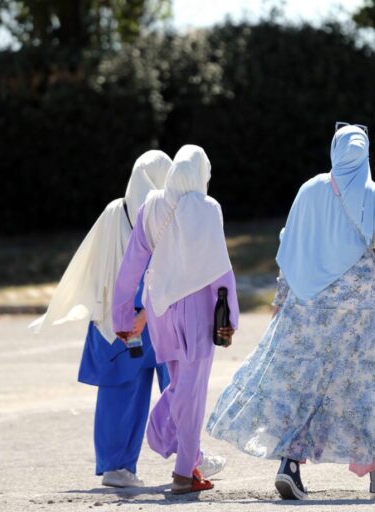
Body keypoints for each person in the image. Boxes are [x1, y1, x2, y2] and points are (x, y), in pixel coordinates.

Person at [206, 123, 375, 501]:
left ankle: (290, 466)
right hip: (361, 314)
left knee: (304, 385)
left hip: (308, 307)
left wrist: (280, 299)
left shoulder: (309, 190)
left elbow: (290, 250)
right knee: (365, 388)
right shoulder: (372, 195)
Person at [29, 151, 173, 488]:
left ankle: (116, 466)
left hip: (117, 318)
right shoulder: (168, 213)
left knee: (120, 390)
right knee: (178, 385)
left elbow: (90, 263)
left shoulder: (113, 212)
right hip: (158, 315)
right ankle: (188, 459)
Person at [112, 144, 239, 495]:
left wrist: (122, 314)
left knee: (181, 382)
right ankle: (183, 471)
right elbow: (220, 268)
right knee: (191, 390)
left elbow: (131, 265)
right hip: (196, 308)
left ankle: (180, 453)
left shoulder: (150, 204)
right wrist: (232, 318)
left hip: (159, 307)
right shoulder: (207, 207)